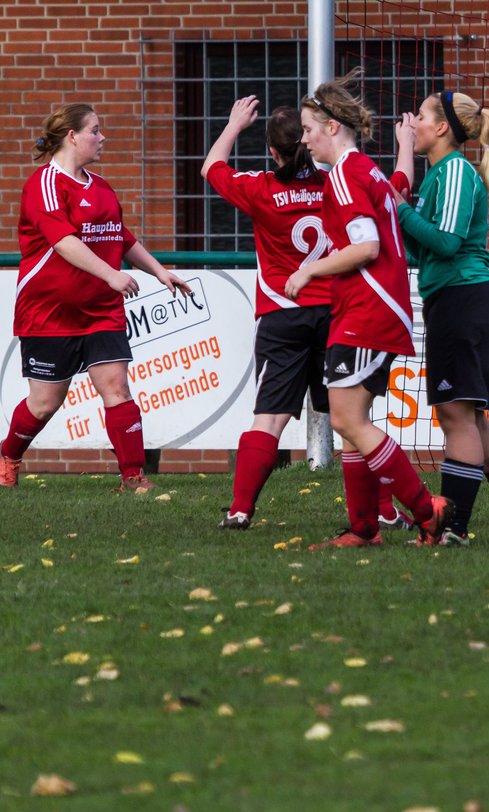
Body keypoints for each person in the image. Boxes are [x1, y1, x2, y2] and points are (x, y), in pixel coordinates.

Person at [202, 96, 411, 532]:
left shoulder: (261, 188)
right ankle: (386, 510)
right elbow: (395, 189)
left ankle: (240, 509)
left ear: (273, 153)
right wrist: (405, 146)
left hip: (284, 313)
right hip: (338, 313)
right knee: (355, 422)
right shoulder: (333, 182)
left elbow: (210, 167)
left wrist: (234, 124)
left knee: (270, 417)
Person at [284, 69, 452, 549]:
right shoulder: (365, 170)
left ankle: (426, 511)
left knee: (346, 421)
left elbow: (367, 246)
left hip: (367, 309)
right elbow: (398, 187)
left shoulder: (343, 174)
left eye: (309, 129)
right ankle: (363, 529)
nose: (305, 140)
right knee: (352, 419)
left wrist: (308, 271)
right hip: (374, 308)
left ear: (332, 128)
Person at [388, 90, 489, 546]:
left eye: (420, 115)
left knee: (456, 416)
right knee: (472, 418)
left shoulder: (457, 170)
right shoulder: (439, 176)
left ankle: (453, 529)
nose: (413, 122)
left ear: (443, 127)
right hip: (454, 302)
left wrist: (398, 208)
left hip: (465, 301)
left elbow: (444, 242)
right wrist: (403, 211)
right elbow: (425, 249)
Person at [1, 104, 191, 494]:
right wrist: (112, 275)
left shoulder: (101, 186)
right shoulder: (44, 185)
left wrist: (158, 270)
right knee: (44, 404)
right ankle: (9, 455)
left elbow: (121, 237)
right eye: (95, 131)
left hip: (101, 309)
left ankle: (133, 477)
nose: (102, 138)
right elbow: (64, 242)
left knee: (117, 388)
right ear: (72, 136)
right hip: (50, 312)